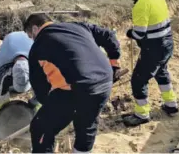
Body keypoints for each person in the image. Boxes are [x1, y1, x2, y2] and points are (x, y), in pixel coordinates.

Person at [24, 14, 122, 153]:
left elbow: (40, 88)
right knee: (86, 125)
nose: (32, 40)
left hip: (77, 88)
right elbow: (108, 35)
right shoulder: (79, 26)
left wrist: (53, 107)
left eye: (30, 36)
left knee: (41, 127)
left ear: (34, 29)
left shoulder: (37, 47)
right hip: (105, 81)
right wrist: (114, 63)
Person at [119, 0, 179, 127]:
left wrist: (129, 32)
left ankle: (142, 114)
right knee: (162, 72)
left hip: (154, 49)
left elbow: (139, 33)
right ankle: (171, 104)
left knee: (138, 80)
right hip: (167, 44)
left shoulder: (140, 5)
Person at [0, 31, 39, 133]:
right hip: (11, 39)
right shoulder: (2, 66)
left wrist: (32, 104)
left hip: (26, 38)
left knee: (40, 84)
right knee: (0, 89)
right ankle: (5, 100)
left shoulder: (38, 61)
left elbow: (44, 88)